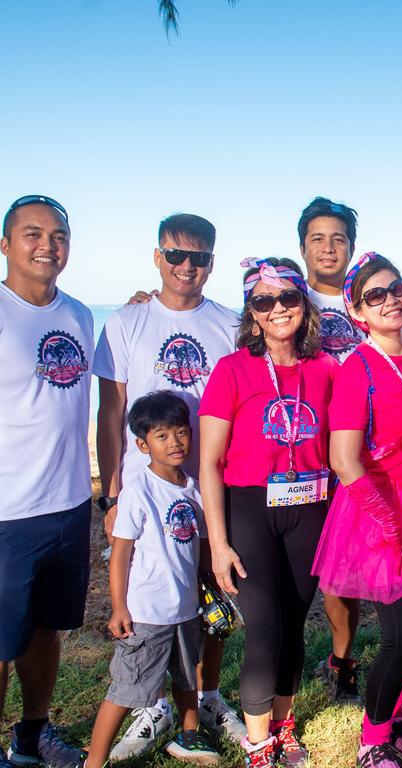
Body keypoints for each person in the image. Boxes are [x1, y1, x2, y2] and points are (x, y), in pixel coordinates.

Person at [93, 213, 245, 758]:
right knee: (148, 596)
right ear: (156, 256)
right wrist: (111, 494)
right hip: (146, 492)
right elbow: (110, 413)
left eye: (199, 257)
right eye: (176, 255)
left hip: (210, 488)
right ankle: (152, 704)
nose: (187, 266)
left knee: (208, 596)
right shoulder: (125, 322)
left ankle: (205, 695)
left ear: (211, 262)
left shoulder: (229, 325)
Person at [199, 257, 338, 768]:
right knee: (264, 627)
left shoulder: (326, 368)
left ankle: (284, 724)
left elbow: (347, 443)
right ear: (251, 313)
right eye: (263, 301)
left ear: (304, 304)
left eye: (288, 298)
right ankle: (258, 742)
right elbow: (210, 463)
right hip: (251, 508)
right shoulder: (233, 369)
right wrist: (218, 542)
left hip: (311, 506)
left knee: (295, 622)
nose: (278, 309)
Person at [312, 253, 402, 768]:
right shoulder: (357, 368)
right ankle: (372, 742)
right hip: (378, 509)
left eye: (397, 288)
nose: (390, 299)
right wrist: (387, 520)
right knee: (401, 632)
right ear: (356, 311)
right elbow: (343, 459)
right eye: (375, 295)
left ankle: (394, 722)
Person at [0, 195, 91, 768]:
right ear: (5, 244)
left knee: (45, 630)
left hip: (69, 503)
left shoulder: (80, 313)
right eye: (32, 233)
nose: (47, 244)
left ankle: (32, 736)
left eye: (58, 235)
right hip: (7, 510)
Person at [83, 391, 220, 768]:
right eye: (162, 436)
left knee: (187, 677)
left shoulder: (194, 487)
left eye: (181, 432)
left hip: (186, 607)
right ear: (143, 444)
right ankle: (94, 760)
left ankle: (188, 736)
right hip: (146, 613)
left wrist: (209, 588)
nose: (175, 442)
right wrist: (119, 607)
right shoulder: (137, 491)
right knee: (127, 689)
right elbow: (121, 553)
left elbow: (203, 546)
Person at [296, 196, 365, 703]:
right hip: (304, 458)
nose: (328, 247)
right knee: (303, 570)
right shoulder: (284, 302)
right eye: (317, 238)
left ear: (352, 247)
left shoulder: (369, 299)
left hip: (363, 456)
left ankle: (342, 657)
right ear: (302, 247)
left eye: (338, 238)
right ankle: (284, 658)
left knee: (348, 568)